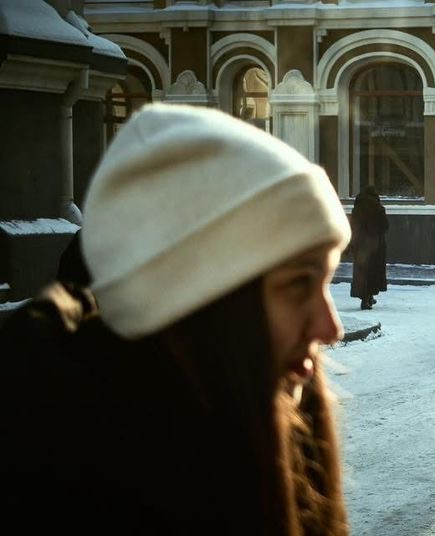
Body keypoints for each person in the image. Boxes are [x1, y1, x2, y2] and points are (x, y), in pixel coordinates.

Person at [0, 104, 351, 534]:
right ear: (199, 301)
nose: (332, 328)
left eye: (328, 280)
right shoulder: (58, 498)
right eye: (299, 284)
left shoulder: (287, 432)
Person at [351, 185, 389, 310]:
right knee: (373, 271)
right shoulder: (378, 208)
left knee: (362, 271)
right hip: (374, 245)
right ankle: (369, 297)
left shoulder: (357, 208)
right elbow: (385, 226)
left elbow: (353, 226)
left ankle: (364, 297)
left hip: (361, 245)